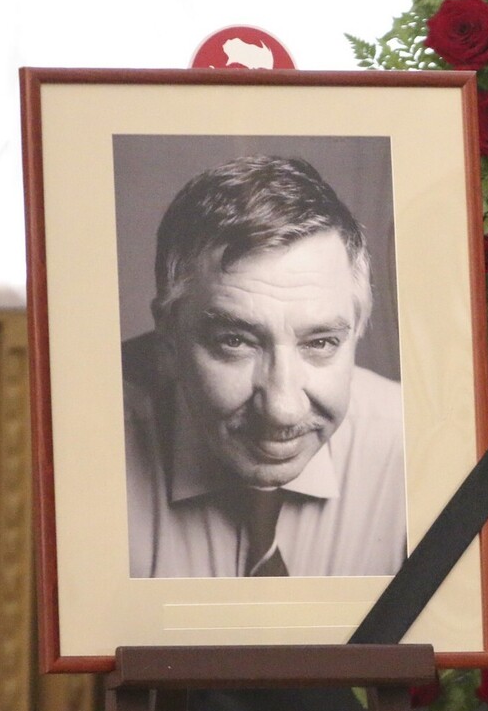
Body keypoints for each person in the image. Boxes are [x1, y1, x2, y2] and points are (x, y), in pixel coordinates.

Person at [122, 154, 407, 577]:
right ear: (169, 337)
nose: (281, 410)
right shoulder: (83, 448)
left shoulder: (414, 445)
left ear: (357, 330)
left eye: (321, 343)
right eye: (235, 341)